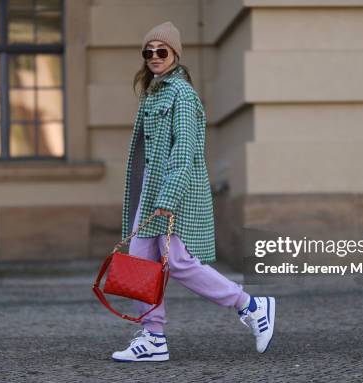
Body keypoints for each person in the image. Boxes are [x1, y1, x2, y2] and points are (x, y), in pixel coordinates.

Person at [112, 21, 276, 362]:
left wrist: (168, 200)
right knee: (140, 264)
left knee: (180, 262)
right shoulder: (154, 92)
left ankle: (250, 305)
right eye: (149, 52)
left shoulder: (183, 95)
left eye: (162, 51)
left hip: (175, 195)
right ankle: (153, 337)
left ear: (175, 54)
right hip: (151, 192)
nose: (154, 57)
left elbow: (184, 151)